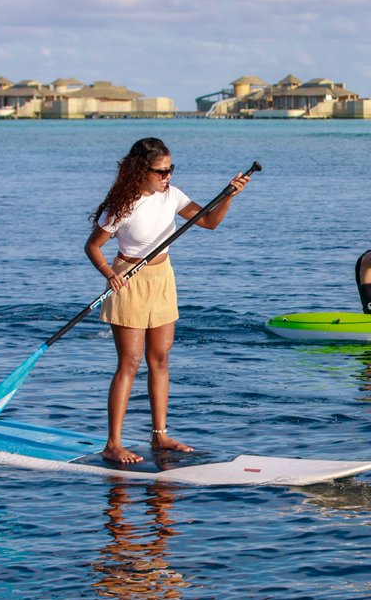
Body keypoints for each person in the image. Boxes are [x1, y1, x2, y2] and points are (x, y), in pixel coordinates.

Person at [85, 137, 249, 464]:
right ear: (140, 171)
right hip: (128, 280)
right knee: (129, 363)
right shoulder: (122, 206)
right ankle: (113, 444)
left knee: (159, 359)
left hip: (163, 278)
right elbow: (93, 246)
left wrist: (229, 196)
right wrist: (108, 273)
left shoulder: (172, 196)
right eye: (160, 172)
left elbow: (209, 221)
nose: (167, 177)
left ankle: (159, 437)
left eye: (170, 170)